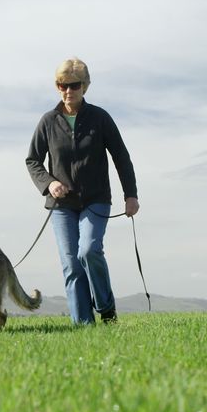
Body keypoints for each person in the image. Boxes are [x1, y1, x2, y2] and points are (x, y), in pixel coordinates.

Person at [26, 58, 139, 325]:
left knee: (88, 250)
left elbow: (121, 157)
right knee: (71, 264)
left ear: (85, 86)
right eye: (62, 85)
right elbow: (32, 161)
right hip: (61, 205)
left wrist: (130, 195)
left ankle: (106, 307)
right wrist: (49, 183)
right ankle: (83, 326)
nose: (68, 90)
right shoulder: (48, 121)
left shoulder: (100, 118)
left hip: (95, 200)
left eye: (74, 85)